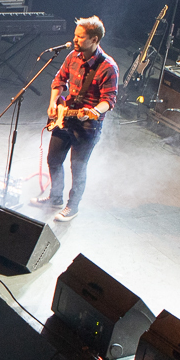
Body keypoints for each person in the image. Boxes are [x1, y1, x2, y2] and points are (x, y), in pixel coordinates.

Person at [36, 16, 117, 222]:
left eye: (80, 37)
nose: (75, 40)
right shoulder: (73, 56)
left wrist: (95, 111)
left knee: (77, 166)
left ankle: (73, 207)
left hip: (88, 125)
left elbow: (109, 100)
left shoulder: (108, 67)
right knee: (53, 160)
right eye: (75, 36)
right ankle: (55, 198)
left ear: (94, 39)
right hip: (65, 117)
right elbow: (59, 80)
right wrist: (54, 103)